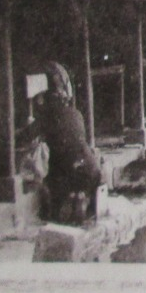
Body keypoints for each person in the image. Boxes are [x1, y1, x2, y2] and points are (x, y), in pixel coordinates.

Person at [32, 61, 102, 224]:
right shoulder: (76, 114)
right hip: (92, 171)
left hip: (70, 174)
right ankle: (84, 205)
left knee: (49, 190)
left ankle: (61, 214)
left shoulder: (46, 118)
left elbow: (22, 138)